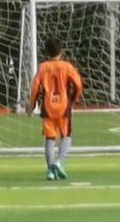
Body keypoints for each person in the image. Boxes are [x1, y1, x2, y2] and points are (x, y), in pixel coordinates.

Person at [27, 38, 83, 181]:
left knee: (50, 138)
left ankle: (50, 170)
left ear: (47, 52)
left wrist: (31, 105)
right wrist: (73, 98)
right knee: (66, 135)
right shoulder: (66, 66)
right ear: (62, 52)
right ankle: (60, 162)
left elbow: (34, 88)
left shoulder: (42, 67)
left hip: (48, 107)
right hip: (63, 106)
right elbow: (78, 84)